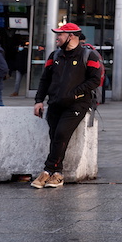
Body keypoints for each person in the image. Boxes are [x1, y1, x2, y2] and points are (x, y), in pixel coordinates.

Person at [31, 22, 103, 189]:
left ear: (71, 36)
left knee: (62, 133)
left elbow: (95, 80)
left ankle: (48, 171)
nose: (57, 37)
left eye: (60, 35)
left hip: (77, 104)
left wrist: (75, 93)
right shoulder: (54, 56)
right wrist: (38, 100)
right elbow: (44, 80)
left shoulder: (89, 56)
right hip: (55, 103)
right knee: (55, 136)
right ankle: (57, 174)